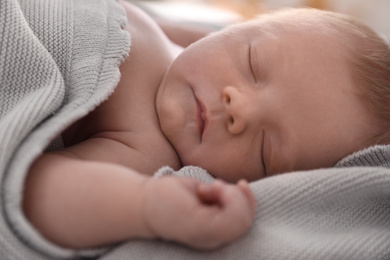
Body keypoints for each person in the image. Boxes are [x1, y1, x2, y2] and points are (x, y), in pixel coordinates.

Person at [20, 0, 390, 256]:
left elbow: (31, 192)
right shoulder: (179, 41)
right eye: (252, 63)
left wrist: (145, 206)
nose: (239, 109)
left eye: (265, 150)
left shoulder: (142, 147)